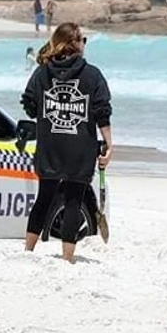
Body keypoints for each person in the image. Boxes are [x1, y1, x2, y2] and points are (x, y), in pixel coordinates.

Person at [20, 23, 112, 264]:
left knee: (44, 197)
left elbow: (29, 105)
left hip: (50, 145)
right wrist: (109, 144)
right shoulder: (92, 75)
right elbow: (102, 111)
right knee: (73, 200)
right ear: (76, 44)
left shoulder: (42, 73)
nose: (84, 44)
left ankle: (28, 250)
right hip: (80, 147)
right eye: (83, 39)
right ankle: (67, 257)